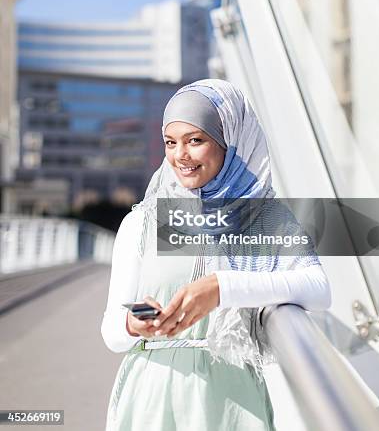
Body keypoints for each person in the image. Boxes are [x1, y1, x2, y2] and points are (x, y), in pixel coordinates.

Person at [101, 79, 331, 430]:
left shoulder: (266, 217)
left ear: (231, 142)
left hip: (234, 401)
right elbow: (111, 332)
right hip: (152, 394)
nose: (181, 155)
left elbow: (318, 289)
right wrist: (133, 324)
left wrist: (221, 287)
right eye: (170, 142)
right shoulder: (143, 221)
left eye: (196, 140)